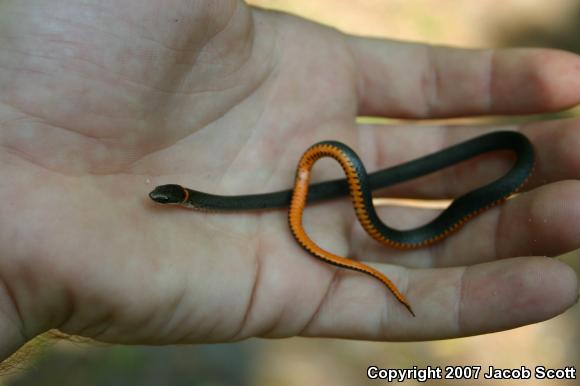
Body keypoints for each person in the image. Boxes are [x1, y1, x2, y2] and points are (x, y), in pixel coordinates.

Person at [0, 0, 578, 364]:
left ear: (180, 196)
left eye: (166, 194)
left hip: (436, 169)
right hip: (330, 176)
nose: (161, 198)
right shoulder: (194, 198)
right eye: (165, 197)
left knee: (511, 164)